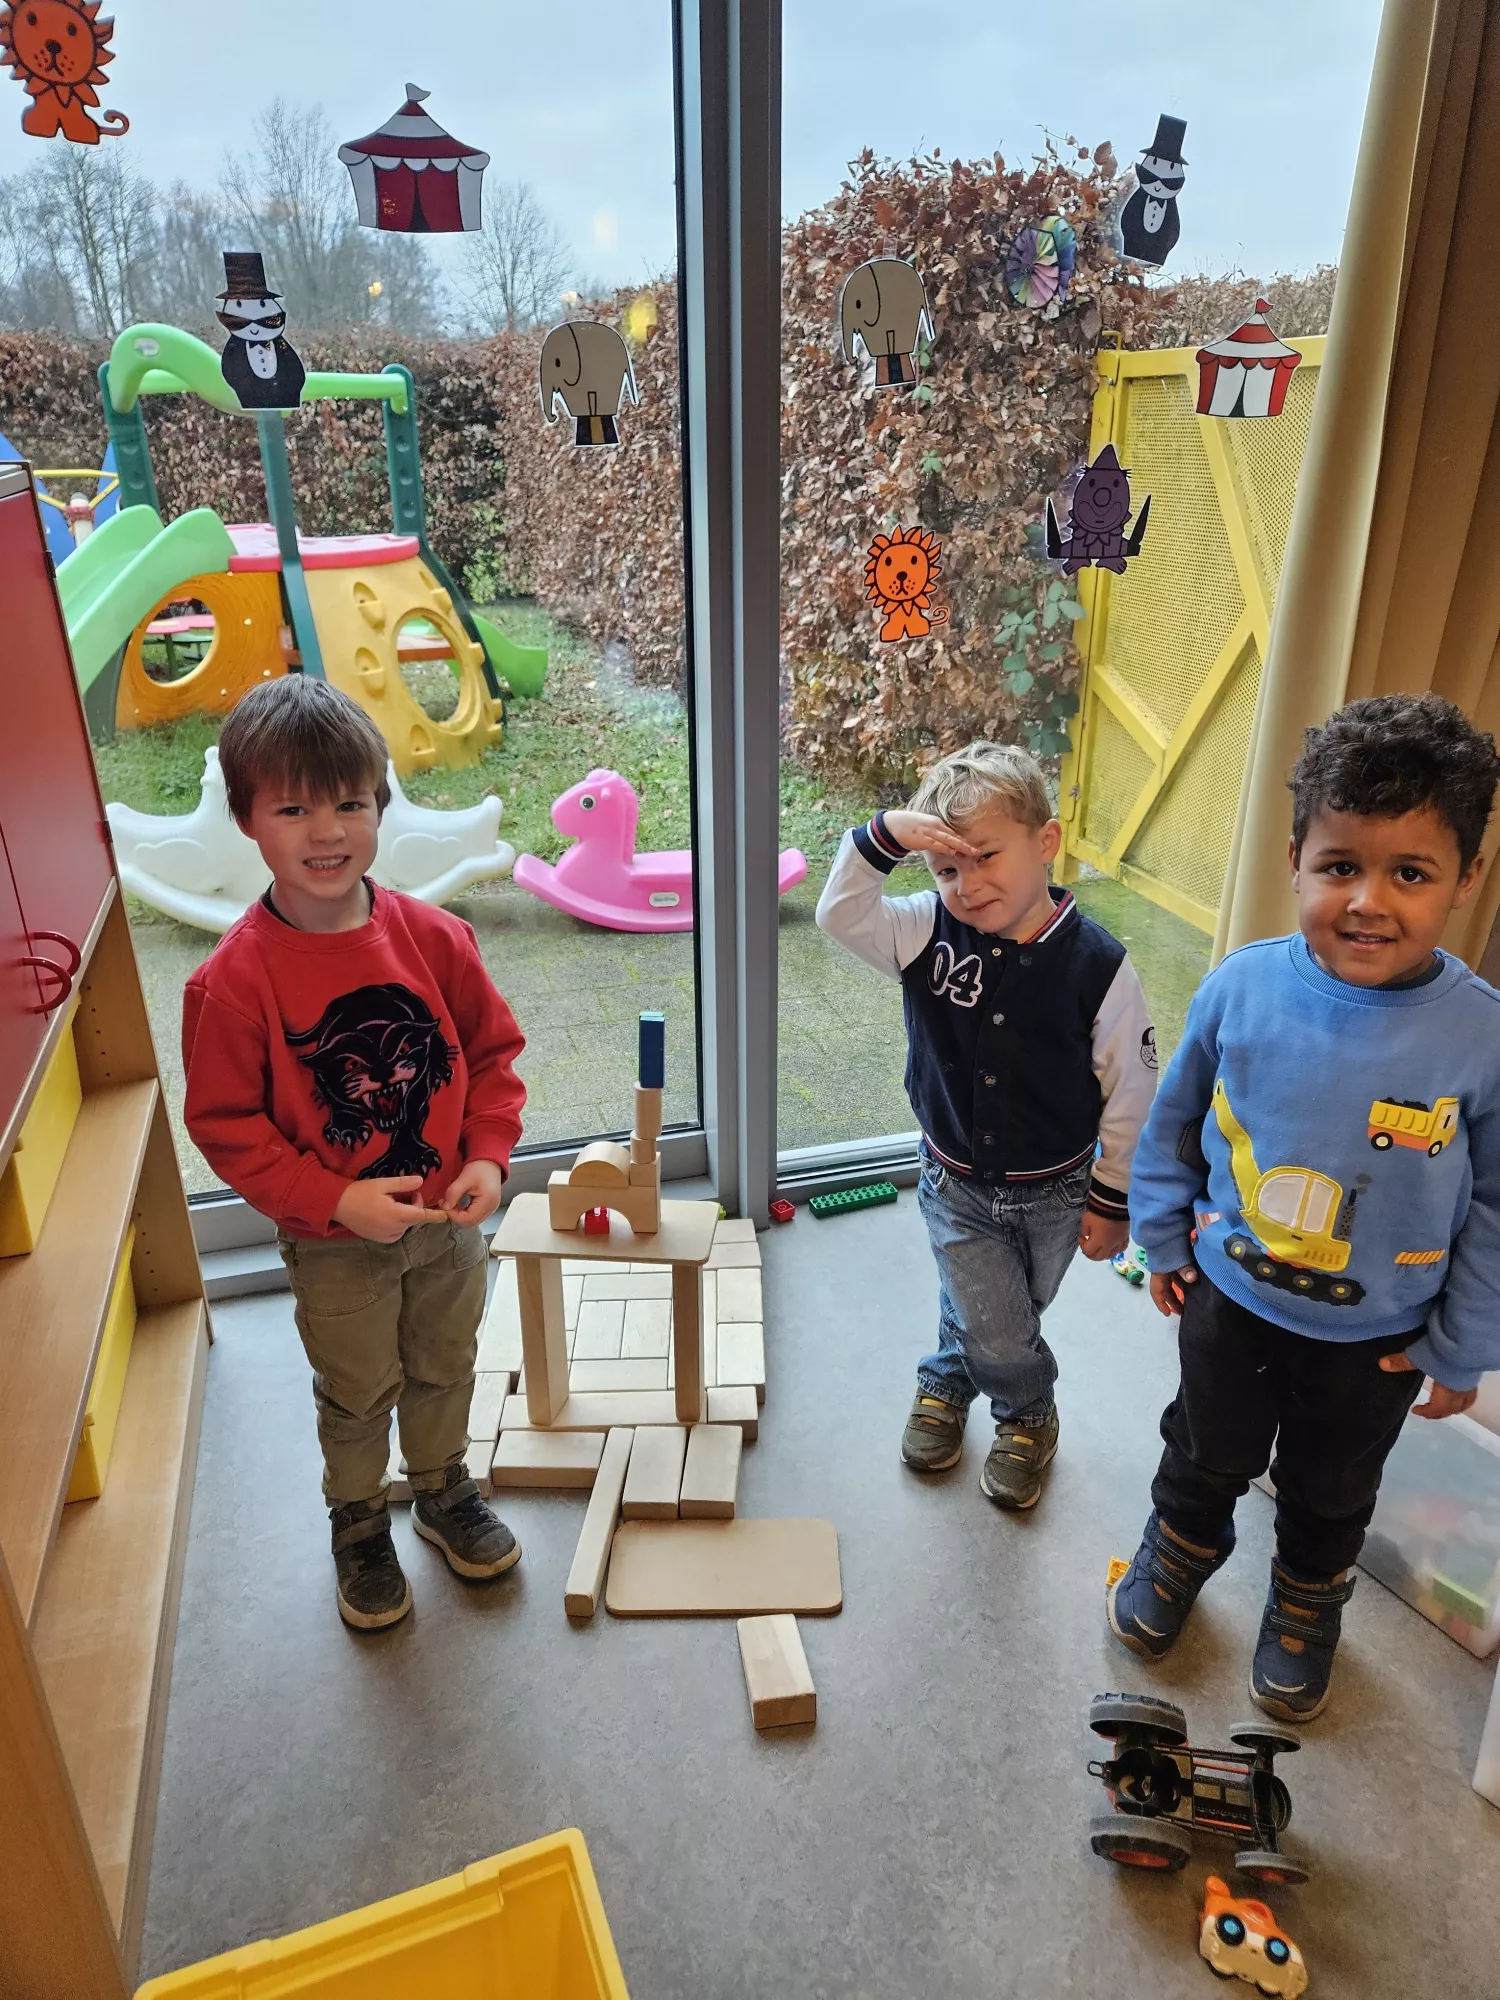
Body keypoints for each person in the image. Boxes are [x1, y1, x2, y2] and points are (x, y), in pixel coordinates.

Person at [1110, 692, 1500, 1720]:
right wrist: (1161, 1234)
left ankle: (1306, 1598)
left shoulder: (1481, 1036)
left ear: (1466, 877)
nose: (1367, 900)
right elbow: (1177, 1119)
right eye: (1339, 866)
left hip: (1380, 1339)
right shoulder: (1241, 988)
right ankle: (1181, 1544)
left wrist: (1462, 1345)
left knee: (1334, 1487)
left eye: (1409, 872)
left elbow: (1497, 1206)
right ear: (1294, 860)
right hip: (1232, 1296)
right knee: (1204, 1447)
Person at [182, 677, 527, 1632]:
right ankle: (360, 1522)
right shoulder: (232, 983)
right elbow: (225, 1126)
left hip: (449, 1224)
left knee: (446, 1361)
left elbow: (493, 1058)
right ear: (247, 820)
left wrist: (487, 1158)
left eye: (349, 803)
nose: (326, 831)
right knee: (358, 1389)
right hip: (334, 1245)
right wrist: (337, 1201)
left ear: (380, 804)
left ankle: (443, 1487)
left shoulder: (437, 939)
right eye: (293, 809)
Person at [816, 741, 1157, 1508]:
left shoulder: (1099, 965)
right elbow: (839, 914)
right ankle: (1028, 1411)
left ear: (1046, 842)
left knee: (1005, 1306)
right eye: (945, 868)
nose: (965, 886)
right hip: (956, 1180)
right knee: (997, 1319)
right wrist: (883, 839)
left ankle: (949, 1373)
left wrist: (1114, 1198)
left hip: (1059, 1187)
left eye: (985, 858)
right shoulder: (923, 929)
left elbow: (1131, 1088)